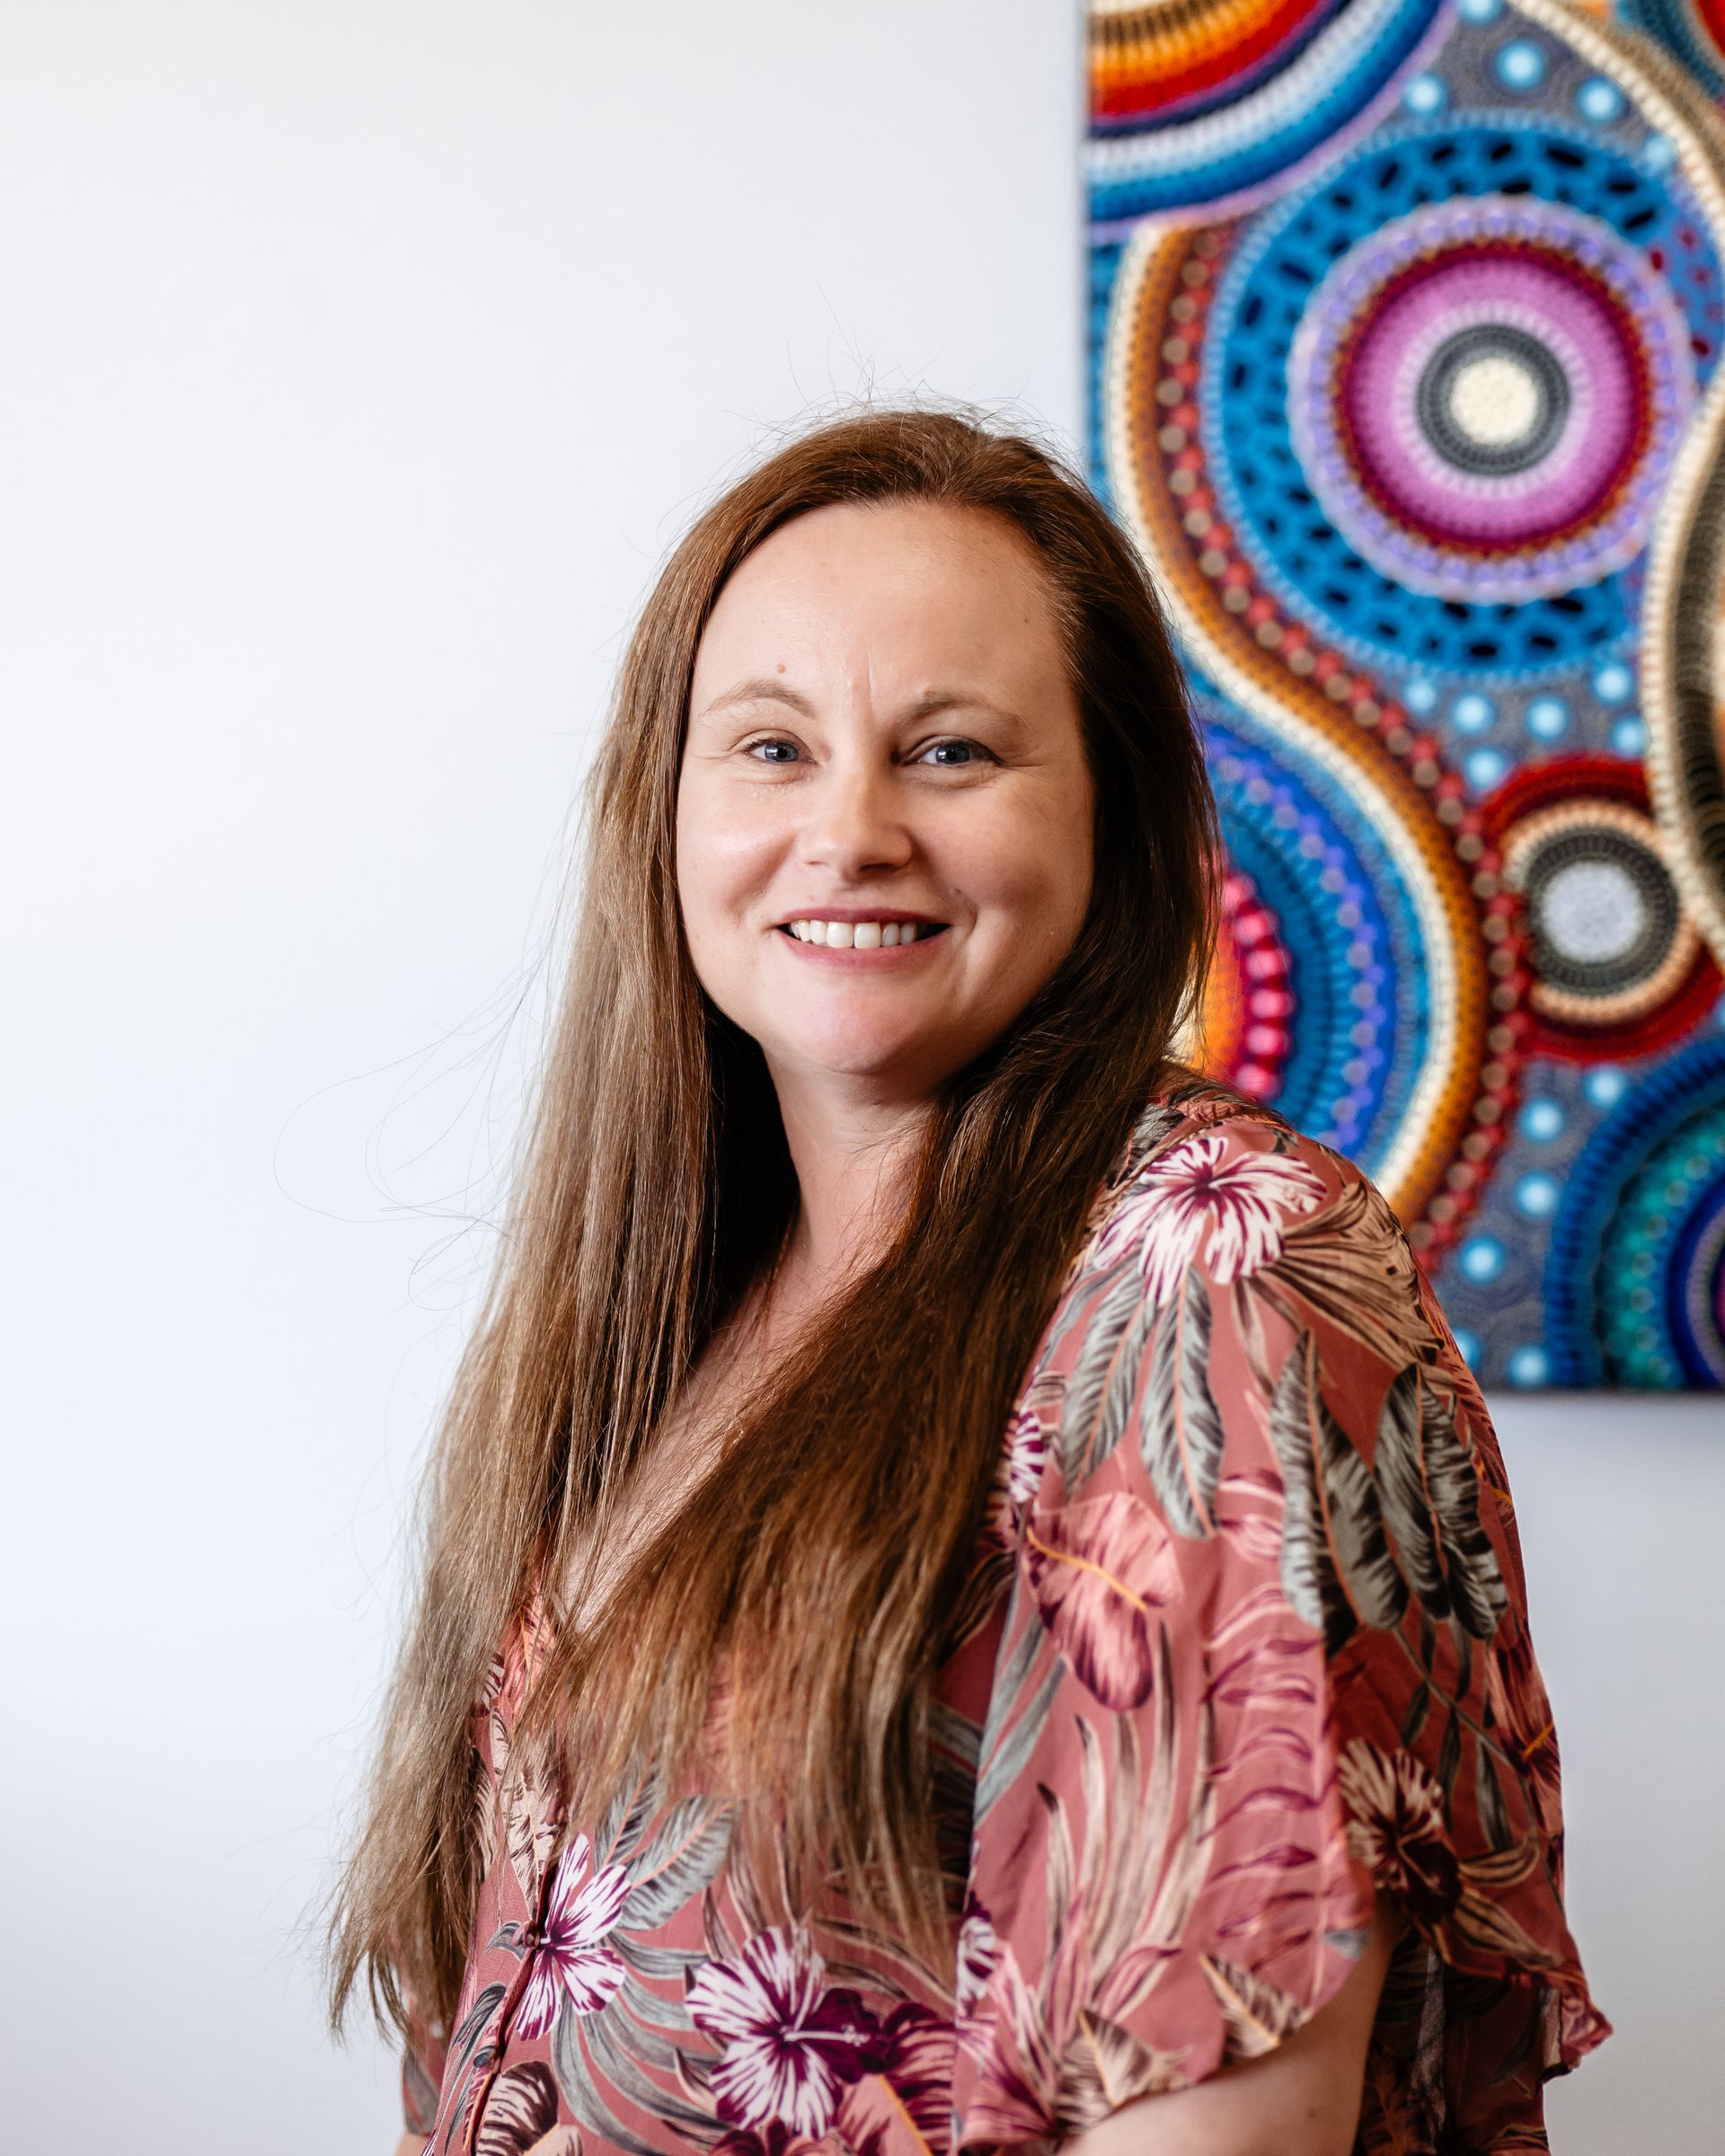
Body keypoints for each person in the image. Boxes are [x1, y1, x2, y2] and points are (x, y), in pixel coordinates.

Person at [328, 409, 1608, 2156]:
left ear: (1114, 816)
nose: (850, 830)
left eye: (949, 751)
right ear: (665, 809)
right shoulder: (661, 1303)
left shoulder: (1213, 1277)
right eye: (772, 746)